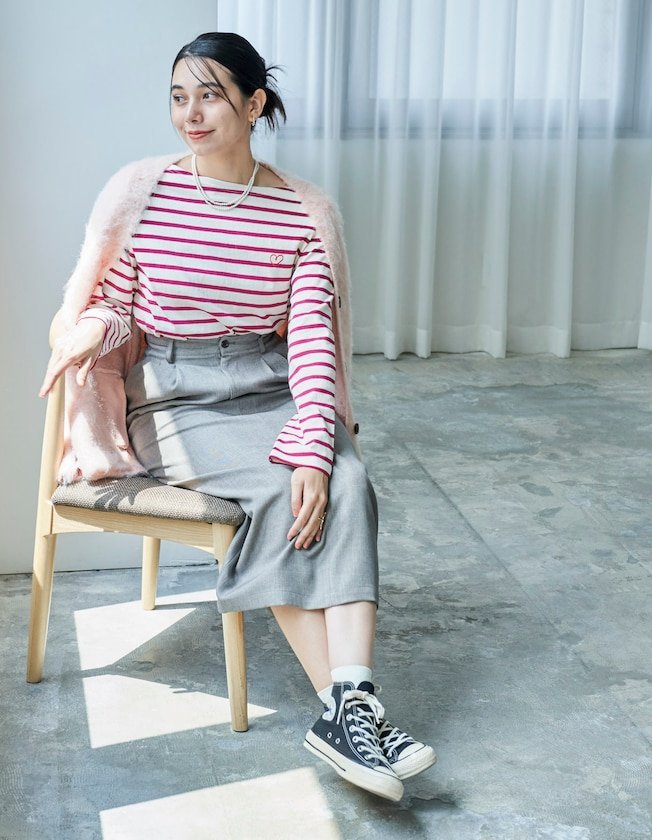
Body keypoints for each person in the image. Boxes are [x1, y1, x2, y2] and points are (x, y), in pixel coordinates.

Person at [39, 31, 436, 802]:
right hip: (175, 395)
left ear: (253, 105)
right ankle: (353, 714)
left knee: (346, 483)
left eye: (210, 96)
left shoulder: (303, 213)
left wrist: (315, 446)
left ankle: (349, 707)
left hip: (269, 382)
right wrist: (90, 329)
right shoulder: (144, 191)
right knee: (279, 493)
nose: (191, 113)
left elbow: (313, 340)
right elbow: (118, 303)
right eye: (179, 97)